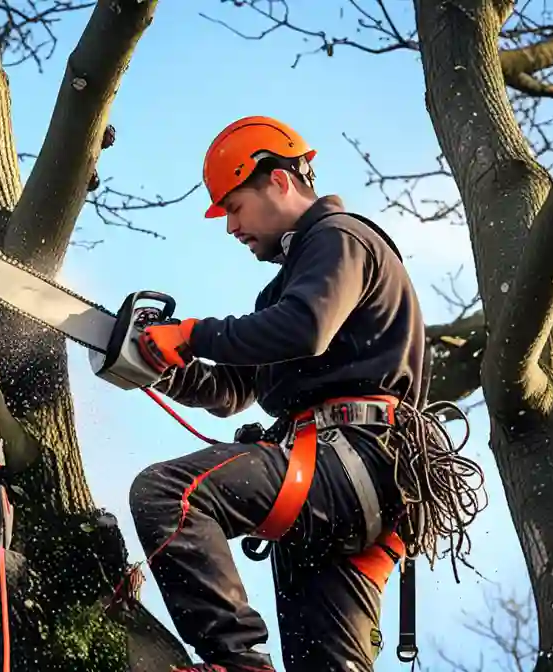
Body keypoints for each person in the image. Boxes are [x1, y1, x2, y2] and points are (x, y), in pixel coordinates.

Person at [127, 115, 430, 672]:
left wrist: (193, 333)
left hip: (353, 459)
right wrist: (160, 364)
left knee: (169, 494)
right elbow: (234, 387)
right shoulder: (287, 287)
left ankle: (236, 660)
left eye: (235, 207)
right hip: (340, 489)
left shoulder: (340, 238)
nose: (231, 227)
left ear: (280, 181)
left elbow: (304, 328)